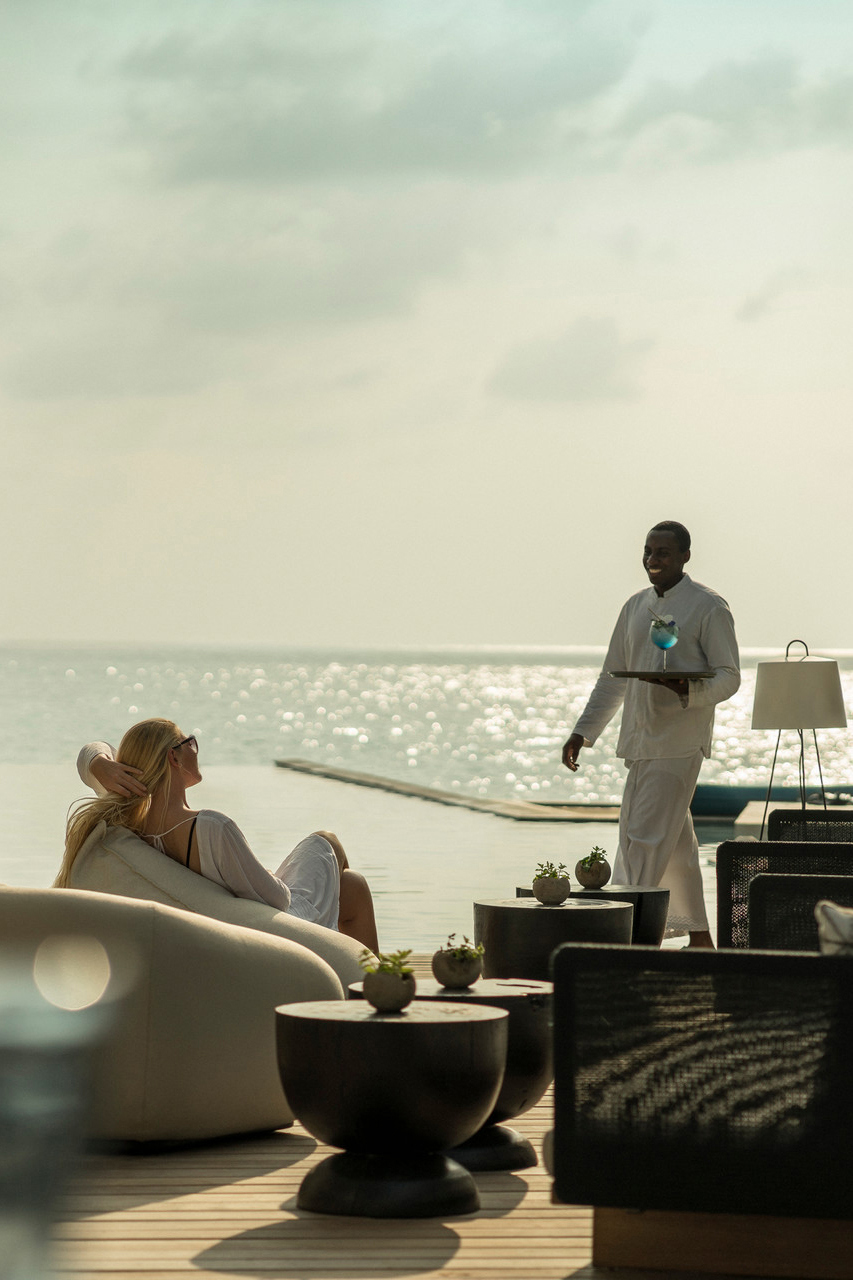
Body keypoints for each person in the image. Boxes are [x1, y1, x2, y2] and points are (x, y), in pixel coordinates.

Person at [561, 521, 740, 948]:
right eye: (647, 551)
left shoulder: (708, 606)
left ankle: (626, 944)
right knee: (675, 847)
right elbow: (613, 678)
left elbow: (730, 677)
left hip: (679, 743)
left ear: (684, 556)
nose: (652, 559)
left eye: (662, 552)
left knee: (640, 840)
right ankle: (700, 940)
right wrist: (582, 732)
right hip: (641, 742)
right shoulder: (635, 606)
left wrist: (691, 690)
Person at [55, 717, 379, 952]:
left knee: (351, 885)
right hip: (283, 929)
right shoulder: (211, 827)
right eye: (190, 743)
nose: (196, 750)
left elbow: (90, 752)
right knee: (327, 841)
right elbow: (279, 899)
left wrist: (101, 764)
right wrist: (259, 870)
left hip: (240, 923)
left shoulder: (127, 823)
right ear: (174, 757)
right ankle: (376, 986)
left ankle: (369, 984)